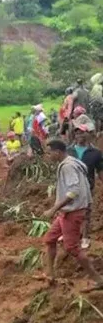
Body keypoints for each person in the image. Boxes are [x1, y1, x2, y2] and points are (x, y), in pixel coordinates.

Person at [44, 140, 103, 291]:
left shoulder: (68, 166)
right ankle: (50, 274)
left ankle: (98, 279)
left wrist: (53, 208)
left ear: (57, 152)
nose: (48, 155)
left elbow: (74, 191)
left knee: (72, 248)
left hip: (72, 212)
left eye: (49, 152)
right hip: (67, 212)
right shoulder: (71, 162)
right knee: (50, 239)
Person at [67, 125, 102, 249]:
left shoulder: (96, 153)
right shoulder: (69, 151)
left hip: (87, 187)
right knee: (69, 210)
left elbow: (100, 171)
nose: (79, 135)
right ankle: (70, 234)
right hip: (70, 186)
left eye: (82, 132)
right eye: (77, 133)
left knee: (86, 212)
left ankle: (85, 237)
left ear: (88, 134)